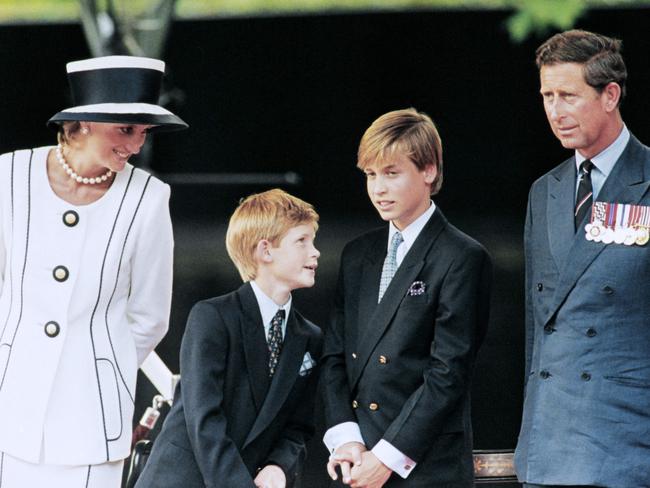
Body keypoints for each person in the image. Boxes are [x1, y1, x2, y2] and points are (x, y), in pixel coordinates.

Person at [0, 55, 187, 487]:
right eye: (126, 129)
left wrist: (102, 367)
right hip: (11, 405)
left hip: (92, 418)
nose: (137, 145)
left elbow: (150, 316)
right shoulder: (8, 176)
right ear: (83, 123)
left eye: (143, 131)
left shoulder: (149, 199)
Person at [321, 108, 492, 487]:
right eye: (370, 175)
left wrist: (386, 457)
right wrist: (346, 438)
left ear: (428, 171)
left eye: (391, 173)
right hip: (356, 460)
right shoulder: (356, 254)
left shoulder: (462, 256)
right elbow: (334, 355)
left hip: (425, 466)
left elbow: (448, 373)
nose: (378, 188)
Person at [514, 29, 650, 488]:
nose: (555, 111)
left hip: (627, 440)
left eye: (568, 96)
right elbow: (539, 326)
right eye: (547, 96)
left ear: (610, 95)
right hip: (547, 441)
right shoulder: (545, 191)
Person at [135, 189, 323, 488]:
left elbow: (298, 426)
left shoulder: (309, 336)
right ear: (265, 251)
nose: (315, 252)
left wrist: (278, 466)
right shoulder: (212, 317)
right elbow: (204, 420)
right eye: (302, 241)